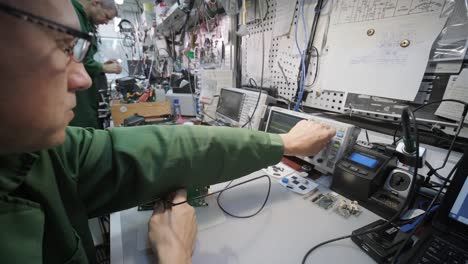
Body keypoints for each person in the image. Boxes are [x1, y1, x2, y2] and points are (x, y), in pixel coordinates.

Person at [0, 1, 336, 264]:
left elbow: (162, 150)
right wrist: (173, 254)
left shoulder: (36, 153)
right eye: (63, 47)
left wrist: (283, 143)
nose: (83, 79)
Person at [70, 0, 122, 128]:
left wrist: (102, 65)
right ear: (95, 3)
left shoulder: (87, 22)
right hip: (79, 97)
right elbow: (73, 59)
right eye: (106, 16)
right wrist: (101, 67)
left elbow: (83, 56)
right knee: (83, 130)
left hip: (88, 95)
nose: (106, 22)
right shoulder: (73, 16)